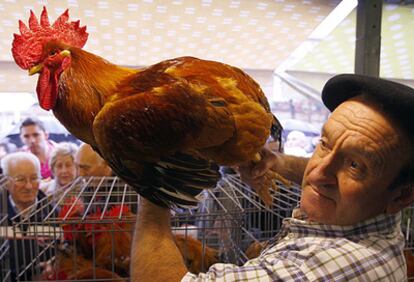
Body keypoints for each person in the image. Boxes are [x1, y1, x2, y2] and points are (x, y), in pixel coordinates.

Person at [130, 74, 414, 281]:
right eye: (324, 143)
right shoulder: (377, 213)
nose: (319, 172)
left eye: (354, 165)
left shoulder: (324, 268)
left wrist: (154, 182)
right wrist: (278, 162)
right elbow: (331, 169)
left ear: (402, 196)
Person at [1, 152, 56, 281]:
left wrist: (53, 265)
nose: (29, 186)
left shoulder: (55, 214)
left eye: (34, 178)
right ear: (6, 182)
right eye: (20, 179)